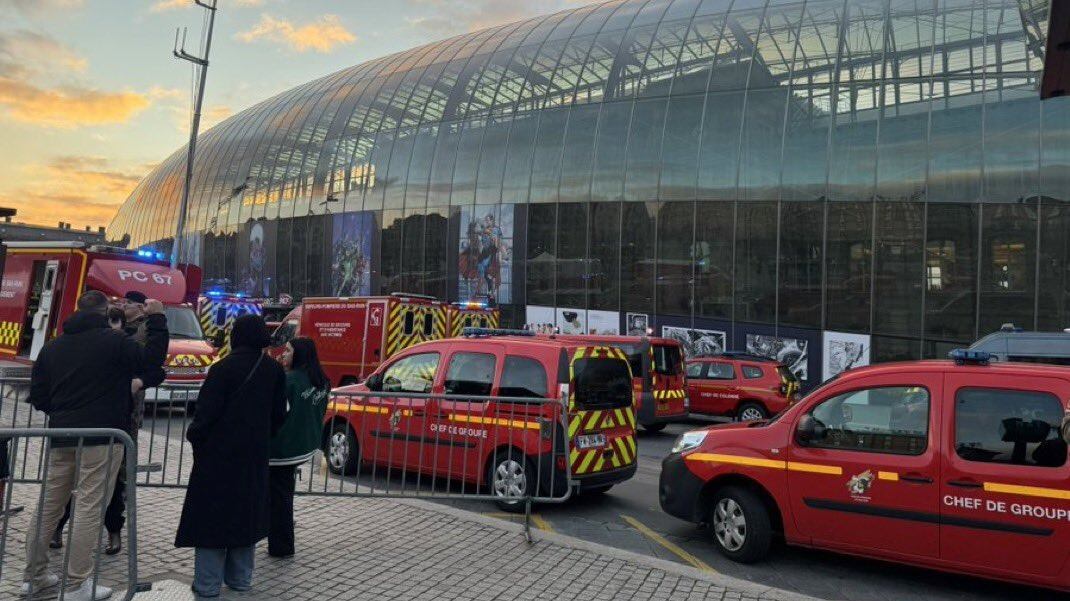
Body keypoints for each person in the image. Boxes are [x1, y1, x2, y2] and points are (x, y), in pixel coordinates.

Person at [24, 290, 168, 601]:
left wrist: (63, 412)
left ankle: (34, 577)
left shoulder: (52, 347)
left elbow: (38, 395)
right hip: (103, 435)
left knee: (49, 504)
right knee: (89, 506)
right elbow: (150, 361)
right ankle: (77, 584)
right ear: (105, 313)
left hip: (61, 436)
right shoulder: (114, 342)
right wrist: (157, 320)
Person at [175, 314, 287, 598]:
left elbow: (204, 416)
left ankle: (208, 585)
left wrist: (197, 441)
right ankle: (240, 581)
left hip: (218, 457)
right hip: (253, 457)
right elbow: (278, 415)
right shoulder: (273, 371)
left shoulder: (222, 369)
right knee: (245, 518)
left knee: (213, 520)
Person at [51, 305, 135, 552]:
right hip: (97, 429)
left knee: (112, 488)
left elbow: (150, 366)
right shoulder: (81, 344)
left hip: (108, 427)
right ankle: (75, 568)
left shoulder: (123, 341)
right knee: (80, 495)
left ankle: (113, 532)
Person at [267, 337, 329, 558]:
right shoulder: (321, 380)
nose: (284, 354)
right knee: (283, 495)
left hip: (282, 449)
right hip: (305, 445)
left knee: (278, 499)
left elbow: (276, 413)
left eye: (289, 350)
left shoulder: (289, 380)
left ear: (300, 354)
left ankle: (281, 546)